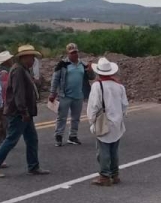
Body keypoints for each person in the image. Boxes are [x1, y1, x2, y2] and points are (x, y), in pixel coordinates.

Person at [0, 45, 49, 178]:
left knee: (32, 139)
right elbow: (18, 93)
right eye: (31, 57)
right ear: (24, 57)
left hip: (25, 112)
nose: (33, 60)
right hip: (19, 112)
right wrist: (23, 111)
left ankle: (33, 166)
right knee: (11, 139)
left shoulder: (22, 69)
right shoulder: (18, 71)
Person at [87, 57, 129, 186]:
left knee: (103, 150)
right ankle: (114, 174)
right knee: (114, 150)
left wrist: (92, 120)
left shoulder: (97, 86)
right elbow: (124, 105)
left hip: (104, 121)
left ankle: (104, 176)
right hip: (117, 122)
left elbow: (93, 106)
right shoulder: (119, 87)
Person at [49, 43, 91, 146]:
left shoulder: (83, 65)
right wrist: (52, 92)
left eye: (76, 52)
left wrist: (90, 71)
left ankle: (73, 136)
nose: (75, 54)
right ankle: (59, 136)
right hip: (65, 95)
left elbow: (91, 77)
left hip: (79, 95)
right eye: (72, 53)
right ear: (68, 53)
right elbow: (55, 79)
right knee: (62, 117)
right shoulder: (62, 65)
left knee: (76, 117)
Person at [0, 50, 14, 147]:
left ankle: (1, 141)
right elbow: (4, 89)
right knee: (4, 122)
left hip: (1, 100)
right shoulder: (4, 73)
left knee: (2, 122)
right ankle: (1, 141)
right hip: (4, 101)